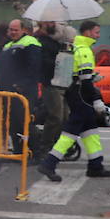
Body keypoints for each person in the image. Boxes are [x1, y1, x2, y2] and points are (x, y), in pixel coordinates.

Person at [38, 19, 110, 181]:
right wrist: (96, 100)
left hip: (73, 92)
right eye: (96, 32)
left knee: (90, 130)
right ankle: (49, 163)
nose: (98, 35)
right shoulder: (84, 49)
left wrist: (93, 77)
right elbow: (85, 82)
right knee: (71, 132)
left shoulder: (76, 47)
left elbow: (78, 74)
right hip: (81, 96)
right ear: (87, 32)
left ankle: (96, 165)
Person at [0, 18, 44, 171]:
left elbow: (34, 67)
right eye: (10, 30)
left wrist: (22, 85)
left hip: (23, 91)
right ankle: (19, 152)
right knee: (13, 123)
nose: (12, 32)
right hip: (9, 90)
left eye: (15, 30)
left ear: (24, 29)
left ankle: (35, 154)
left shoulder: (31, 42)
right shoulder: (7, 45)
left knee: (25, 122)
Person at [35, 20, 67, 160]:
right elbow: (43, 62)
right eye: (50, 21)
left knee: (64, 117)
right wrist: (59, 61)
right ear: (43, 23)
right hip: (50, 82)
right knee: (56, 117)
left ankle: (57, 146)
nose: (54, 24)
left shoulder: (53, 40)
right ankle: (45, 147)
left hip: (61, 82)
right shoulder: (40, 41)